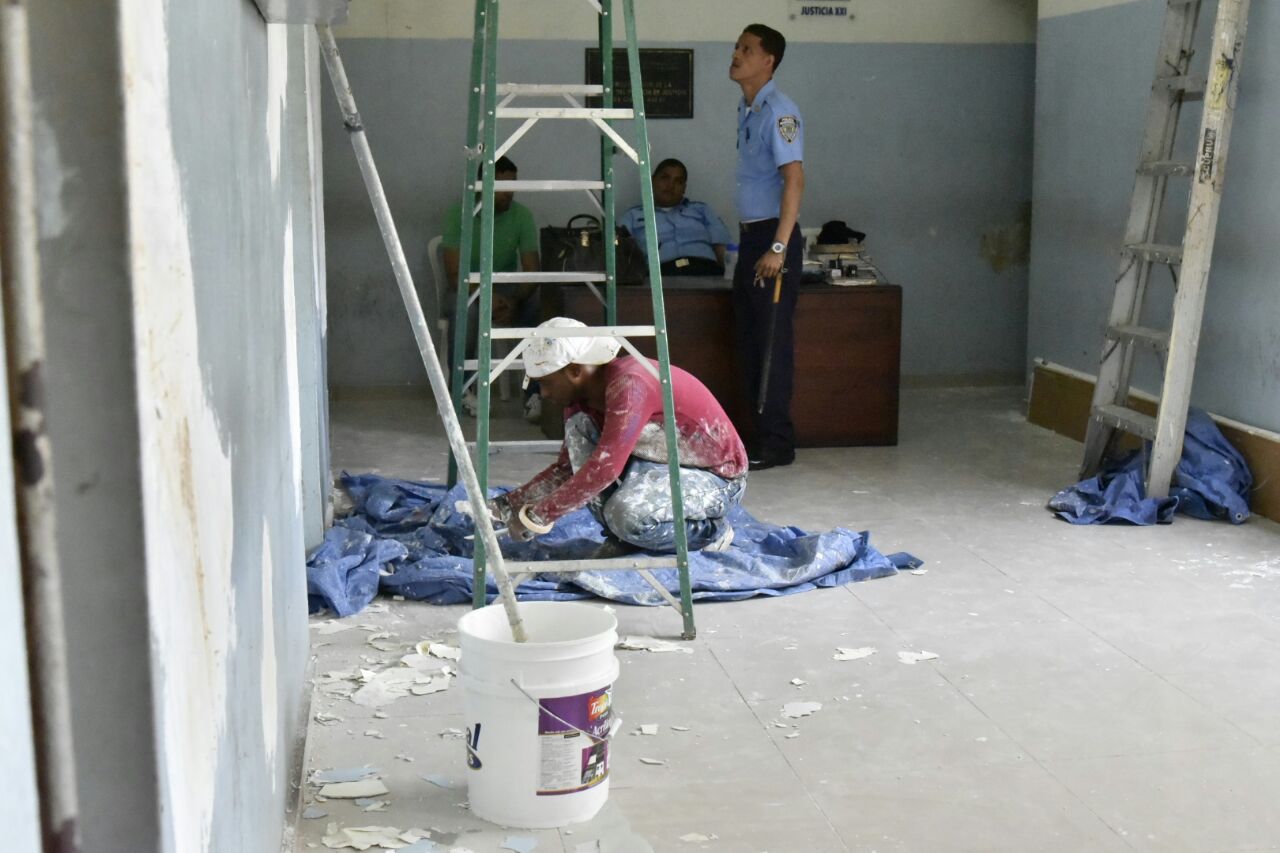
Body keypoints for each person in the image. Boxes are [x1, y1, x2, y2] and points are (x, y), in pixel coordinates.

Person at [488, 318, 748, 556]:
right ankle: (626, 537)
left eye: (546, 382)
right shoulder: (579, 400)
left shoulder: (630, 384)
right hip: (657, 465)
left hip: (717, 478)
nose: (543, 394)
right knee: (585, 440)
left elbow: (605, 469)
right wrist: (507, 505)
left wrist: (538, 515)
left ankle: (709, 533)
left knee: (627, 516)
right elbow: (568, 469)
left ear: (575, 370)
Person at [729, 24, 805, 471]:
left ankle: (776, 443)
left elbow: (794, 179)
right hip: (751, 235)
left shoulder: (780, 111)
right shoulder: (747, 107)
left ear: (768, 61)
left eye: (747, 49)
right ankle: (754, 438)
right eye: (737, 47)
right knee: (751, 340)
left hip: (773, 238)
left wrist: (778, 246)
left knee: (772, 344)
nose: (736, 55)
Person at [440, 156, 543, 421]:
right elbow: (454, 274)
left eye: (513, 185)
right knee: (466, 311)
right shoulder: (458, 214)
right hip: (467, 289)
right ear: (481, 185)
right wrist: (487, 297)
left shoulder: (522, 215)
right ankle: (463, 390)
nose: (508, 192)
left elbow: (533, 271)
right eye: (501, 186)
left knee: (539, 304)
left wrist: (515, 301)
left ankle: (535, 392)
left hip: (508, 292)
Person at [618, 158, 733, 277]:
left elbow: (723, 250)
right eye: (665, 178)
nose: (670, 186)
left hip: (706, 272)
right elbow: (619, 254)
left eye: (678, 181)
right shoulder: (632, 216)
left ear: (684, 188)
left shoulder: (701, 210)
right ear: (652, 181)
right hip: (661, 277)